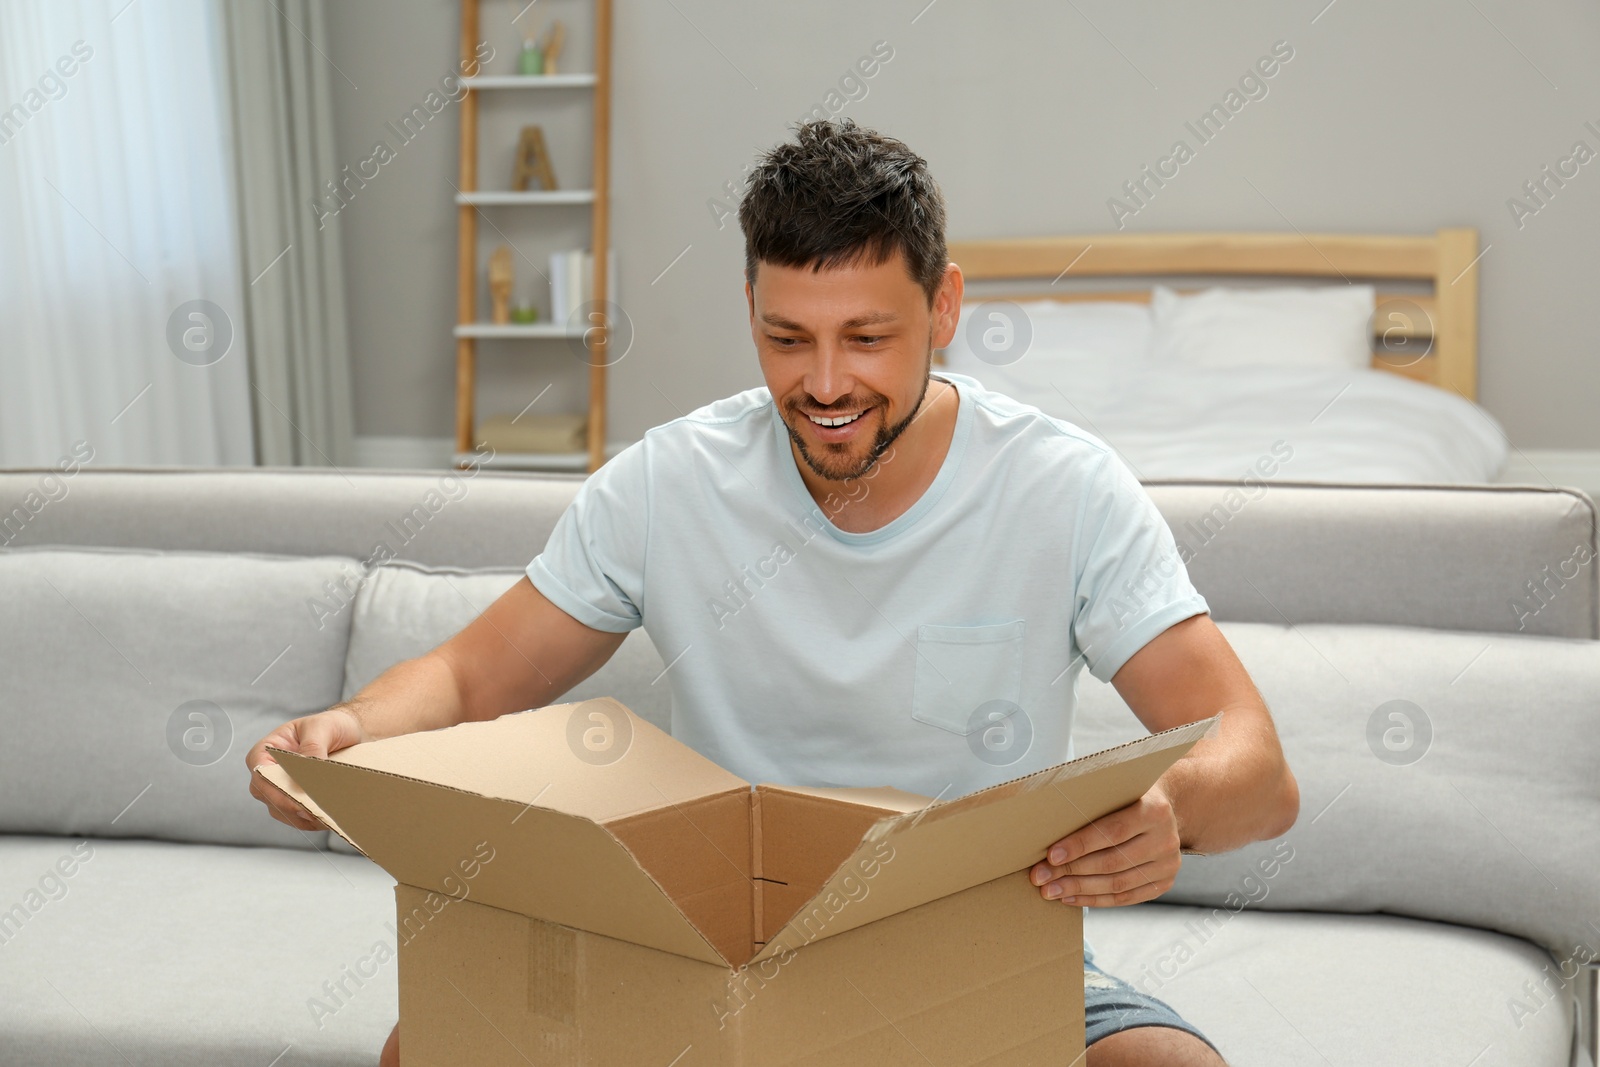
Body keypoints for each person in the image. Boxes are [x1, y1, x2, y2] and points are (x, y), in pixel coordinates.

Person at [247, 117, 1298, 1067]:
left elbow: (1257, 767)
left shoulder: (1063, 487)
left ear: (944, 306)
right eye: (787, 337)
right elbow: (474, 672)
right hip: (704, 952)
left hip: (976, 942)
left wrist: (1170, 806)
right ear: (748, 307)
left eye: (868, 337)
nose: (827, 384)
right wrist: (352, 724)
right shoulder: (669, 481)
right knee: (425, 1043)